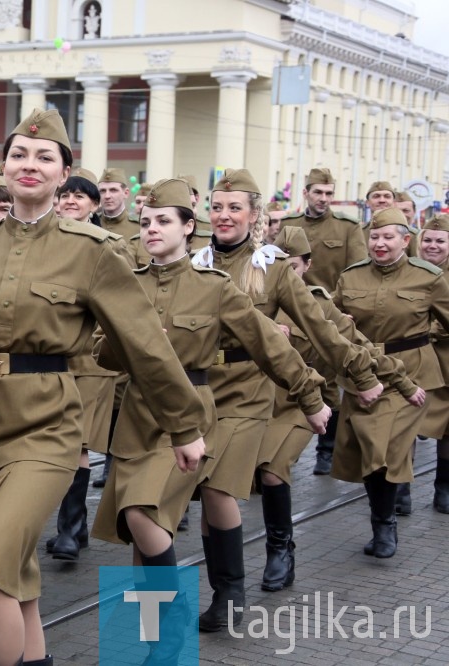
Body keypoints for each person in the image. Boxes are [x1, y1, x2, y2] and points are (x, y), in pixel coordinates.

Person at [0, 108, 208, 666]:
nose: (30, 165)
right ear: (1, 167)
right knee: (15, 575)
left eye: (45, 157)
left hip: (48, 426)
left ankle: (164, 638)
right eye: (19, 155)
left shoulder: (93, 251)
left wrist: (185, 425)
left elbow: (147, 344)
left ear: (64, 173)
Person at [90, 182, 327, 664]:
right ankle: (153, 637)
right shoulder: (126, 283)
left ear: (186, 228)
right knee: (139, 529)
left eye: (164, 222)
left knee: (141, 510)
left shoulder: (214, 287)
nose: (152, 229)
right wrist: (132, 341)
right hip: (138, 413)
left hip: (192, 411)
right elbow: (102, 352)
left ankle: (176, 625)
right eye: (146, 222)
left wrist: (309, 396)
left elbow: (269, 346)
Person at [191, 168, 383, 632]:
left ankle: (231, 593)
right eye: (217, 206)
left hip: (251, 391)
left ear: (255, 215)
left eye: (235, 207)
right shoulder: (192, 263)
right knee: (203, 493)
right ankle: (224, 586)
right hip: (198, 389)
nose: (224, 215)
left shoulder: (273, 270)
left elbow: (322, 327)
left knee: (218, 486)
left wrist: (360, 374)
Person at [256, 225, 417, 590]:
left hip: (298, 404)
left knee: (271, 470)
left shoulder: (317, 303)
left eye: (291, 267)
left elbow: (358, 346)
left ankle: (279, 551)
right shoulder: (248, 297)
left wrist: (402, 382)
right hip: (251, 402)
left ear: (307, 266)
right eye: (272, 264)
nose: (281, 274)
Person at [332, 207, 447, 559]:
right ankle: (383, 516)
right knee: (369, 451)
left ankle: (385, 527)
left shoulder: (427, 278)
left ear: (405, 241)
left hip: (408, 376)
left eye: (388, 237)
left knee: (382, 448)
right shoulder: (351, 277)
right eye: (375, 237)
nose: (380, 244)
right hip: (362, 376)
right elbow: (328, 321)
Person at [45, 168, 122, 561]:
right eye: (66, 196)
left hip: (91, 361)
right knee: (60, 443)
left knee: (76, 443)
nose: (71, 201)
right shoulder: (47, 245)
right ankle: (72, 528)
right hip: (52, 362)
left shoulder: (107, 247)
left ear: (95, 206)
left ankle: (69, 532)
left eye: (81, 196)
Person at [278, 167, 368, 475]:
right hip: (286, 309)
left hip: (327, 307)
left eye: (329, 193)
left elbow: (357, 272)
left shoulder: (347, 228)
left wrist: (341, 309)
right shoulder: (289, 226)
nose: (324, 199)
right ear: (306, 193)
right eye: (318, 192)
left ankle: (326, 449)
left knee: (329, 380)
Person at [418, 215, 449, 513]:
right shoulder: (411, 270)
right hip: (416, 363)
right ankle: (399, 490)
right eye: (427, 240)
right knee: (407, 424)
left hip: (446, 363)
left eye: (440, 241)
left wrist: (429, 330)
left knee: (447, 430)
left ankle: (444, 487)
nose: (433, 246)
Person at [97, 167, 134, 237]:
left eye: (113, 190)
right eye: (102, 191)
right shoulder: (91, 223)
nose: (107, 196)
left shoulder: (139, 227)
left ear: (126, 193)